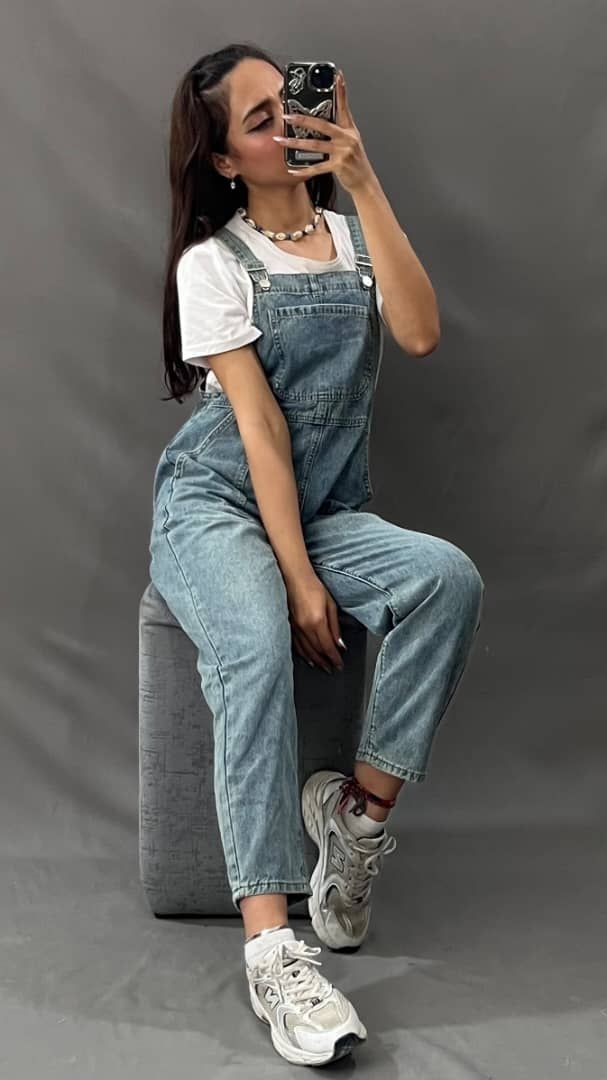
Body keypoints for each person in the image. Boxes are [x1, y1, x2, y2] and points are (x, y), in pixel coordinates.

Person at [149, 42, 485, 1067]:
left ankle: (353, 819)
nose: (286, 129)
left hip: (325, 504)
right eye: (259, 121)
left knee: (444, 579)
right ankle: (272, 951)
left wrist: (364, 179)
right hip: (214, 505)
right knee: (254, 640)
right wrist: (297, 580)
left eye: (289, 106)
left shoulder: (349, 234)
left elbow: (419, 334)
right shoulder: (212, 265)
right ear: (222, 160)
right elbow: (258, 430)